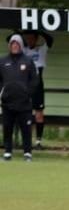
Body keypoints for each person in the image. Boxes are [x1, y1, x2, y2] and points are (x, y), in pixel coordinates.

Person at [1, 34, 39, 162]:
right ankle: (7, 153)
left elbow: (34, 80)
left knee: (26, 129)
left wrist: (28, 92)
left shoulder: (28, 61)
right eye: (12, 44)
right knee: (7, 128)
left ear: (21, 46)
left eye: (17, 44)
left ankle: (27, 153)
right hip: (7, 103)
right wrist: (2, 93)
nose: (15, 46)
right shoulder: (2, 61)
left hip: (24, 103)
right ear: (10, 46)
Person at [20, 29, 53, 149]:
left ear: (36, 38)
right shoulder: (23, 50)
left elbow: (50, 40)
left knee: (39, 114)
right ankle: (26, 139)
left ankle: (38, 141)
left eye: (31, 38)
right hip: (25, 84)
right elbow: (10, 40)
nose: (29, 40)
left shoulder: (41, 49)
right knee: (25, 112)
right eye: (27, 38)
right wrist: (21, 33)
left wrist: (39, 31)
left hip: (38, 84)